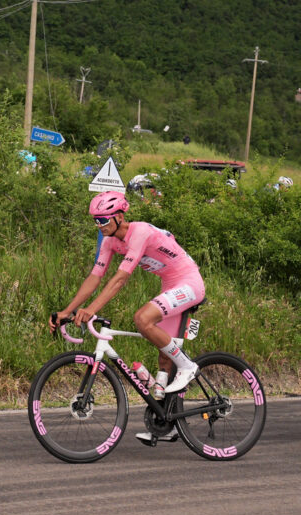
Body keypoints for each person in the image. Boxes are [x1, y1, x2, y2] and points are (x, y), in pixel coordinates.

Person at [50, 191, 206, 445]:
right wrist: (68, 310)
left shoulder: (140, 232)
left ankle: (188, 367)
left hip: (189, 282)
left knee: (142, 319)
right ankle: (167, 423)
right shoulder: (110, 242)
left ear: (119, 216)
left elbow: (120, 279)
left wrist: (91, 309)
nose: (99, 226)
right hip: (169, 284)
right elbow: (95, 278)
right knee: (164, 354)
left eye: (103, 220)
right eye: (95, 221)